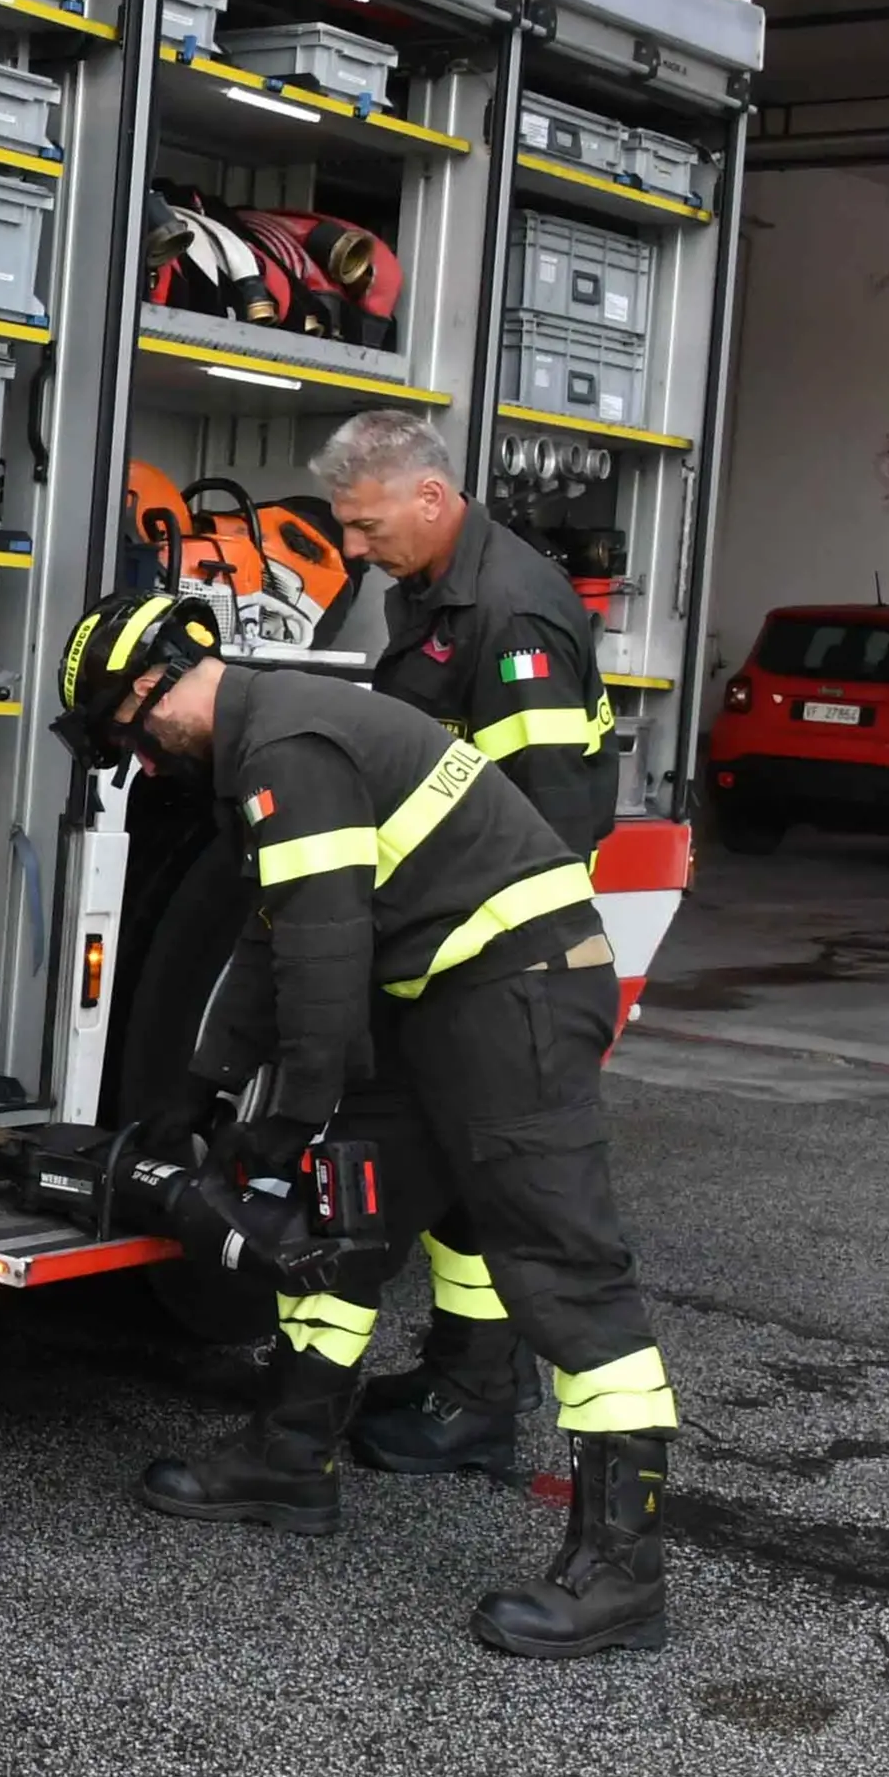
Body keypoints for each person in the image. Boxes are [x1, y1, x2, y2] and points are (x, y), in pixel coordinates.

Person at [57, 588, 680, 1659]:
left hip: (514, 994)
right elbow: (273, 932)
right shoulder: (266, 738)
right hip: (446, 994)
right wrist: (202, 1091)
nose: (141, 760)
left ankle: (622, 1570)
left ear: (157, 684)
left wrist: (283, 1116)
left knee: (561, 1264)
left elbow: (322, 959)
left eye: (131, 733)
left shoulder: (286, 746)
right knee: (350, 1213)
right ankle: (288, 1457)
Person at [305, 410, 618, 1479]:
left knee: (496, 1183)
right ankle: (467, 1375)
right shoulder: (438, 593)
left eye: (363, 524)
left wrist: (492, 974)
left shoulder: (513, 613)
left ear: (428, 499)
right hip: (451, 946)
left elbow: (544, 820)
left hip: (496, 958)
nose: (351, 548)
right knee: (450, 1170)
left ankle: (478, 1396)